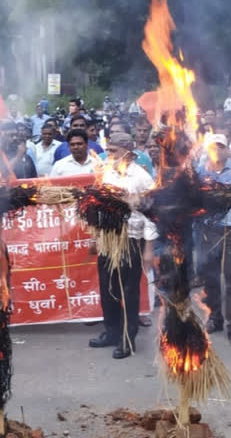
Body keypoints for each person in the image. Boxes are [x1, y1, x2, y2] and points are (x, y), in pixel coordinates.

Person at [88, 132, 156, 359]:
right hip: (108, 239)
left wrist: (148, 249)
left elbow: (152, 216)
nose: (109, 155)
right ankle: (112, 332)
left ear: (127, 152)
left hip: (131, 240)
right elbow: (98, 207)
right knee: (108, 288)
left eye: (113, 151)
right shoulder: (107, 173)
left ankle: (128, 338)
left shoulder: (142, 178)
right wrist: (95, 236)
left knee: (129, 290)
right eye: (108, 151)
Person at [197, 129, 231, 345]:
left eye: (221, 146)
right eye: (213, 147)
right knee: (209, 277)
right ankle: (215, 317)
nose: (217, 151)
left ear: (227, 150)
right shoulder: (200, 171)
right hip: (207, 229)